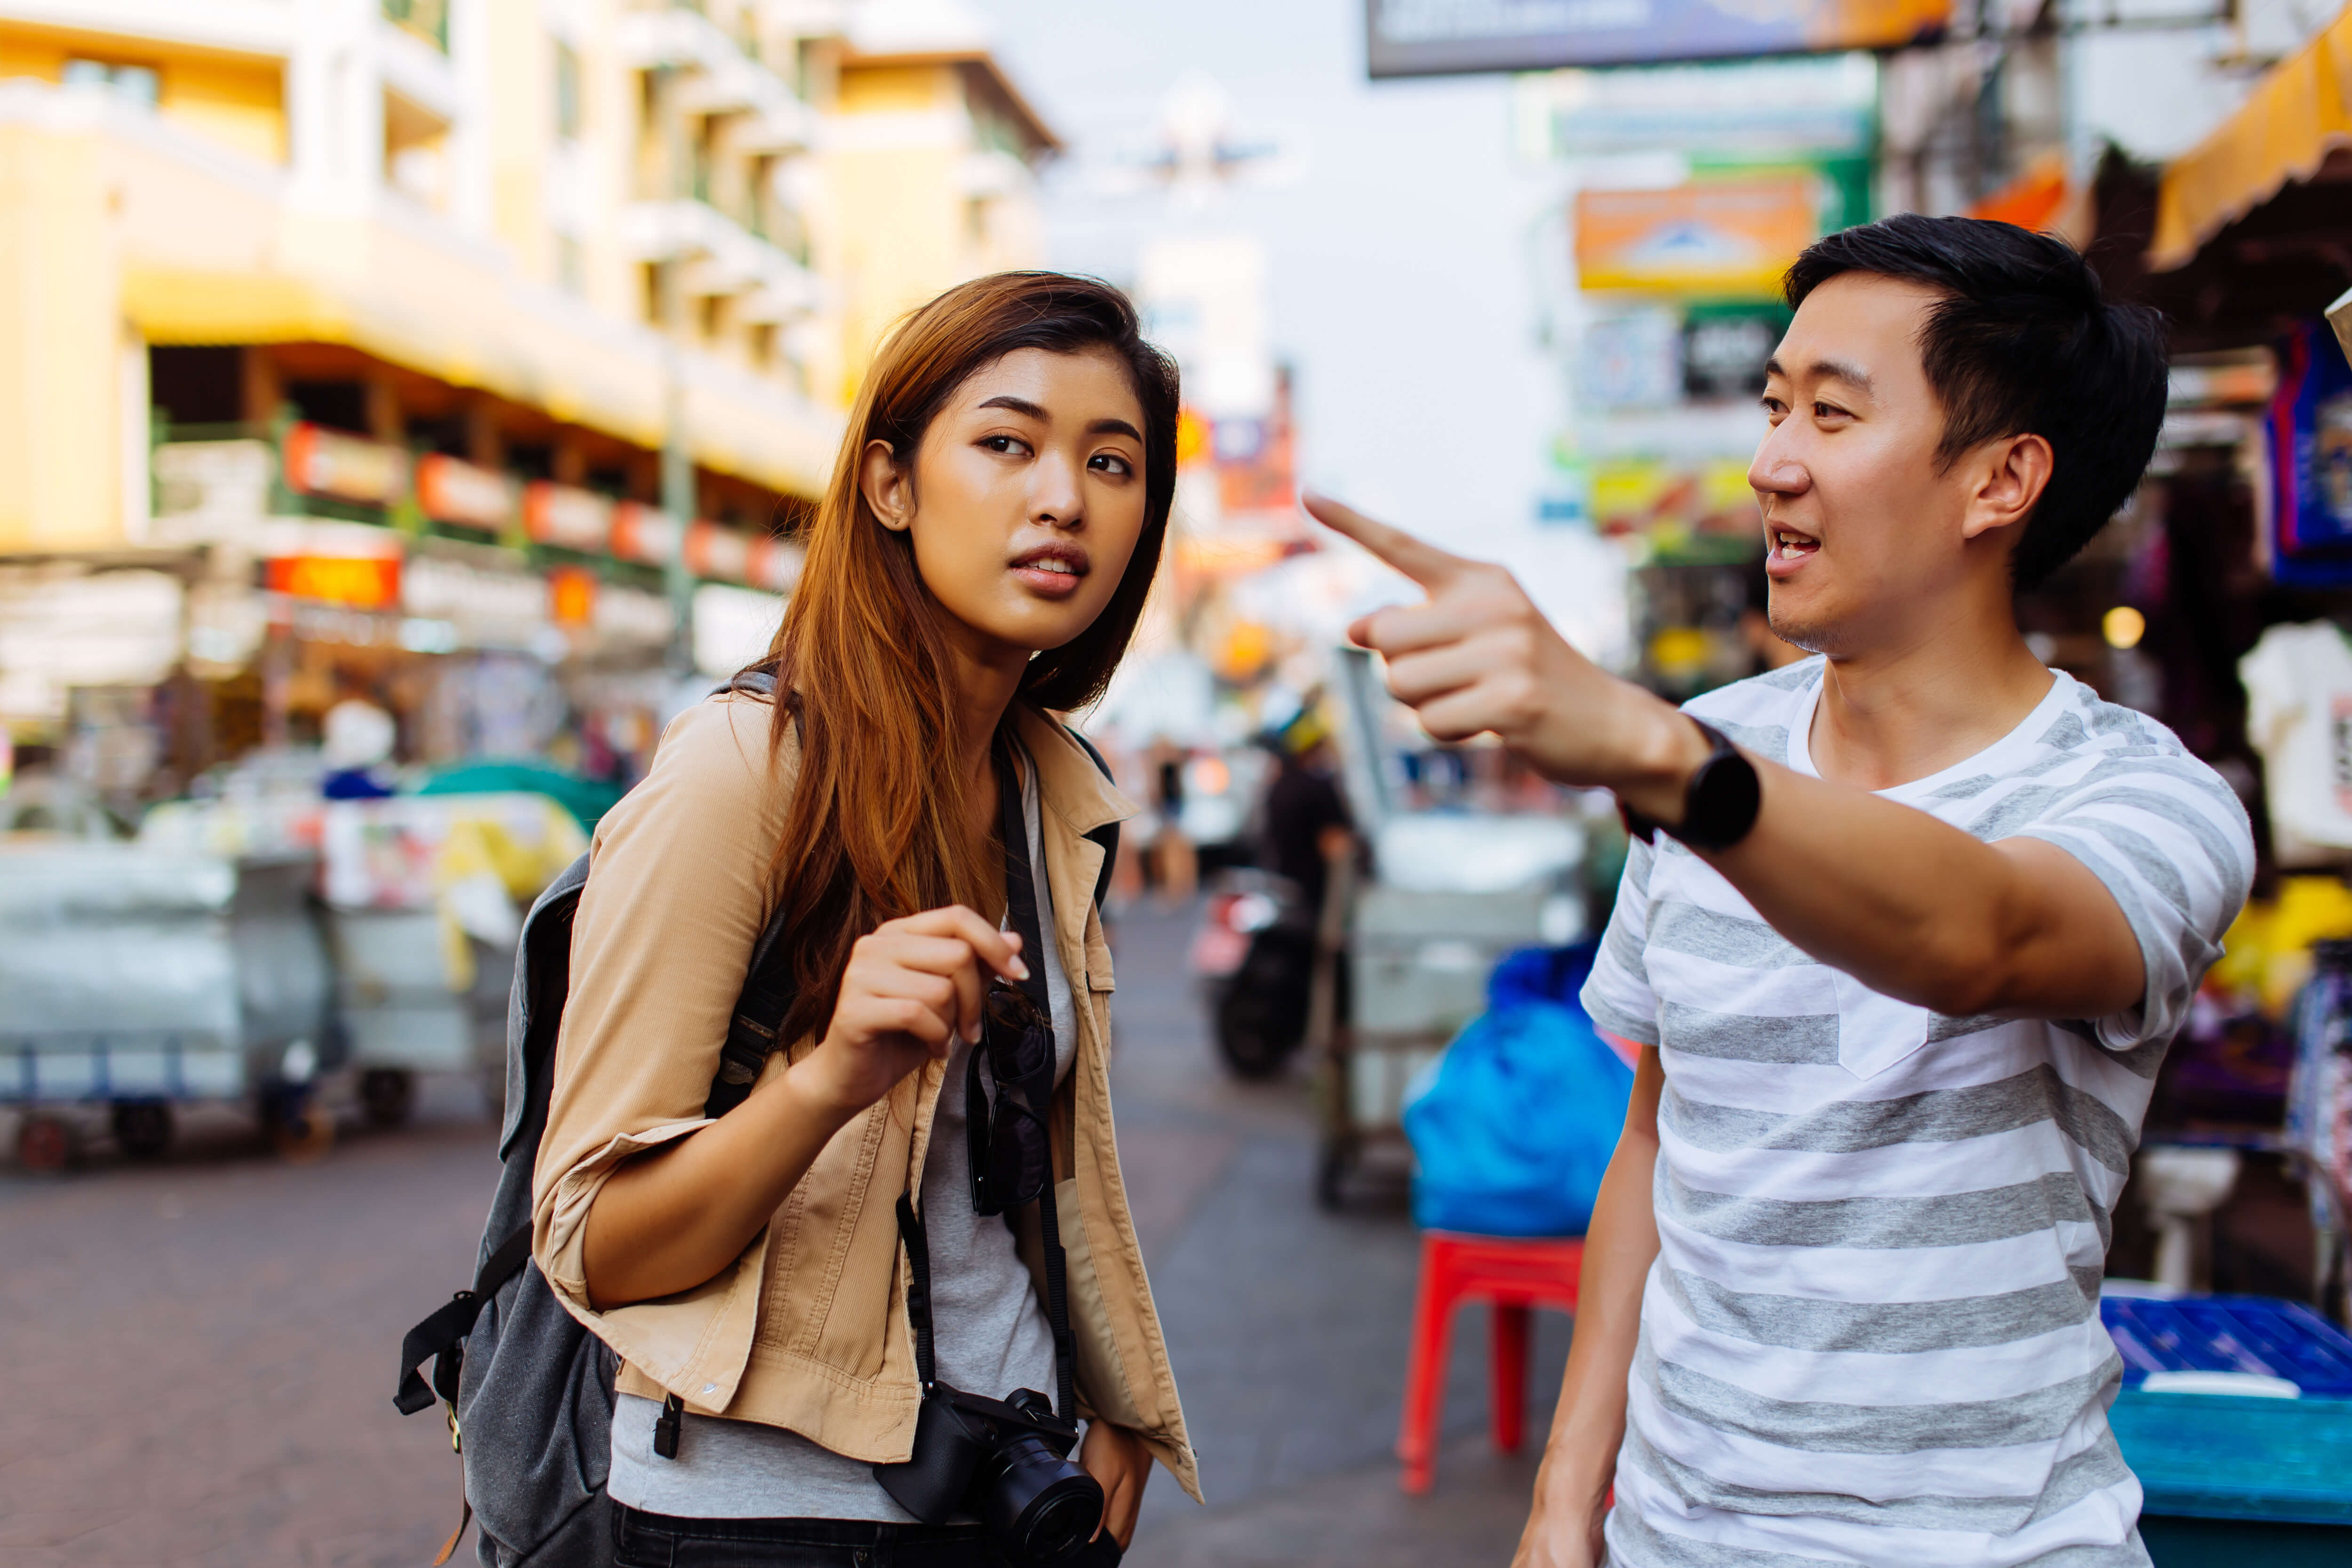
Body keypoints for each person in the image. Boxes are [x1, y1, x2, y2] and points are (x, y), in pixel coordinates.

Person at [1308, 215, 2252, 1567]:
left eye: (1831, 414)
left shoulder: (2149, 802)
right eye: (1772, 407)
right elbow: (1659, 1133)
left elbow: (1977, 933)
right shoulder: (1716, 748)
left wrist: (1654, 752)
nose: (1771, 465)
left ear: (2002, 481)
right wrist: (1565, 1502)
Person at [532, 273, 1197, 1568]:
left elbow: (1041, 1176)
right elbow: (595, 1244)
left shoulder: (1049, 790)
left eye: (1113, 464)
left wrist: (1110, 1401)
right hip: (768, 1523)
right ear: (891, 485)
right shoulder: (747, 771)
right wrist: (826, 1076)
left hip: (1013, 1488)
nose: (1063, 498)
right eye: (1006, 444)